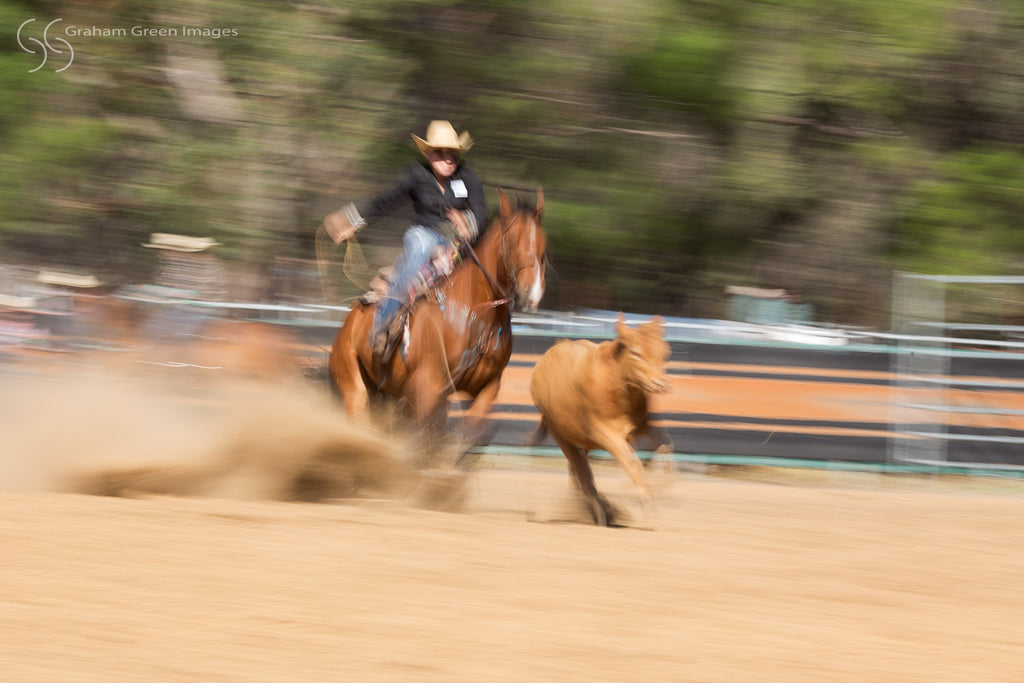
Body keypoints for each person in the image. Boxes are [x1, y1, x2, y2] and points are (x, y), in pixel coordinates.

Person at [327, 120, 487, 360]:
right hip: (423, 236)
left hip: (456, 245)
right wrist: (353, 222)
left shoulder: (467, 176)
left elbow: (482, 215)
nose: (447, 158)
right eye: (440, 153)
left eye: (452, 153)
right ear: (429, 155)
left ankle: (484, 337)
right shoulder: (416, 174)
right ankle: (381, 326)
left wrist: (468, 225)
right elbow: (385, 201)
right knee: (419, 247)